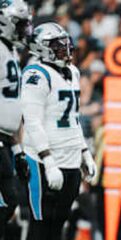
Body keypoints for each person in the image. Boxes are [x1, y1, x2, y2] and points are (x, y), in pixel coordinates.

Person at [20, 22, 97, 240]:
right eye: (57, 44)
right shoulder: (36, 74)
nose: (65, 48)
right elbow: (32, 121)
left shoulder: (72, 71)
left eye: (65, 43)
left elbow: (73, 117)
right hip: (44, 160)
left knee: (59, 223)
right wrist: (48, 160)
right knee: (41, 223)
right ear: (41, 47)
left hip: (71, 157)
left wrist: (84, 152)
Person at [0, 0, 31, 237]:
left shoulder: (10, 49)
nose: (24, 30)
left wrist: (19, 150)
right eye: (19, 24)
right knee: (7, 200)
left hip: (6, 140)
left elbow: (13, 108)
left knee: (9, 203)